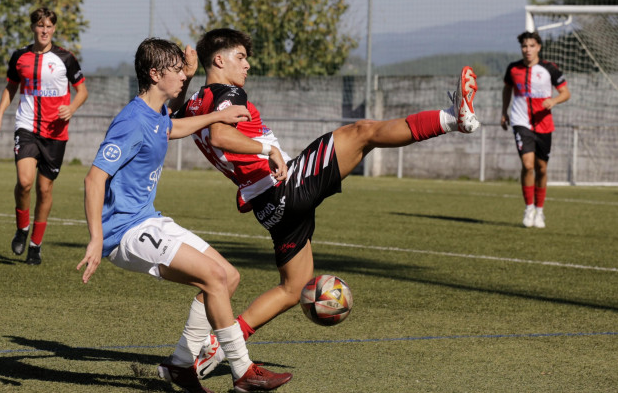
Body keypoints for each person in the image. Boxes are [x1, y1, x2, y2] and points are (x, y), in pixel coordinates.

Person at [168, 28, 480, 376]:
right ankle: (454, 118)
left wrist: (189, 77)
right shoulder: (228, 93)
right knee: (362, 132)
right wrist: (266, 149)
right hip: (283, 187)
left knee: (293, 288)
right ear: (219, 59)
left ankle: (219, 345)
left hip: (268, 208)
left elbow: (175, 120)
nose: (247, 65)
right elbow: (221, 134)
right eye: (240, 57)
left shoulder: (196, 103)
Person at [77, 38, 293, 393]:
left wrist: (218, 115)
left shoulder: (156, 113)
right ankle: (244, 371)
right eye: (176, 70)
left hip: (148, 219)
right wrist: (97, 238)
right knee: (212, 277)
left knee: (228, 277)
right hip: (124, 233)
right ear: (154, 73)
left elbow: (172, 127)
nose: (183, 75)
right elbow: (94, 178)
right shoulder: (131, 121)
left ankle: (180, 365)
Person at [0, 7, 88, 265]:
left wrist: (72, 108)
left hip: (56, 132)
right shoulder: (19, 56)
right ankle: (22, 229)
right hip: (27, 126)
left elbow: (83, 92)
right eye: (40, 25)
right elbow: (11, 87)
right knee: (24, 182)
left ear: (54, 29)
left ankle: (35, 244)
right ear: (33, 27)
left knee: (45, 189)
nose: (44, 30)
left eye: (49, 26)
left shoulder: (65, 58)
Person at [501, 31, 570, 229]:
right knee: (528, 164)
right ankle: (528, 207)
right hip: (521, 121)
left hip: (544, 124)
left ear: (538, 47)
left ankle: (540, 211)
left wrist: (554, 100)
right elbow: (507, 89)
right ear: (521, 48)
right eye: (524, 46)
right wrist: (504, 112)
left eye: (532, 45)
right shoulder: (513, 69)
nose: (528, 50)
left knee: (541, 168)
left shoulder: (550, 69)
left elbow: (566, 93)